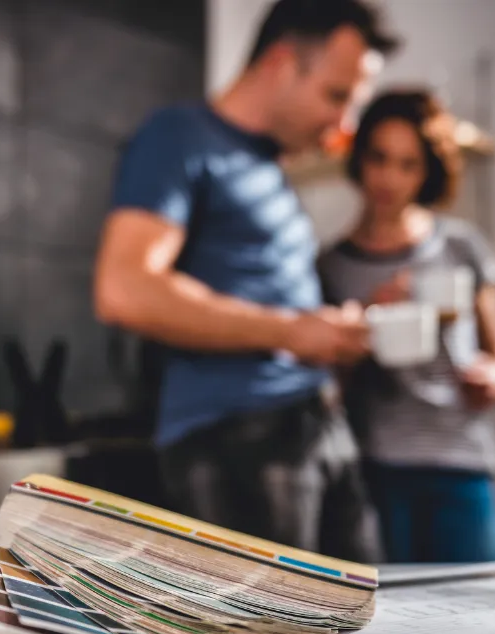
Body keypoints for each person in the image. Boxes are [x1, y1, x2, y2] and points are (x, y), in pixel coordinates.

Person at [93, 0, 400, 560]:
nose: (343, 126)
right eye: (336, 96)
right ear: (281, 63)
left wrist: (329, 333)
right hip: (238, 437)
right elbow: (125, 288)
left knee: (363, 625)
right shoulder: (178, 137)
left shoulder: (266, 168)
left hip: (316, 423)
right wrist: (290, 331)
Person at [317, 91, 495, 563]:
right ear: (359, 159)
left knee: (483, 621)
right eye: (379, 158)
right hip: (378, 470)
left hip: (462, 463)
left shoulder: (462, 247)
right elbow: (328, 388)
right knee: (393, 626)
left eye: (408, 164)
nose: (390, 178)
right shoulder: (332, 265)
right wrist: (367, 315)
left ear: (427, 171)